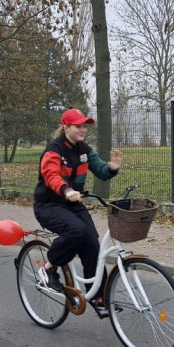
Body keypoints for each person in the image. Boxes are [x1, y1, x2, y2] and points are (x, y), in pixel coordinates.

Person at [33, 108, 122, 316]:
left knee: (91, 242)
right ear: (65, 127)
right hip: (49, 205)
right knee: (77, 231)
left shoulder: (84, 150)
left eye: (84, 126)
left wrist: (112, 168)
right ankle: (48, 267)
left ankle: (98, 297)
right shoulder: (54, 150)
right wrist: (66, 190)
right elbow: (51, 175)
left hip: (73, 204)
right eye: (78, 126)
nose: (83, 130)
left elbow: (100, 170)